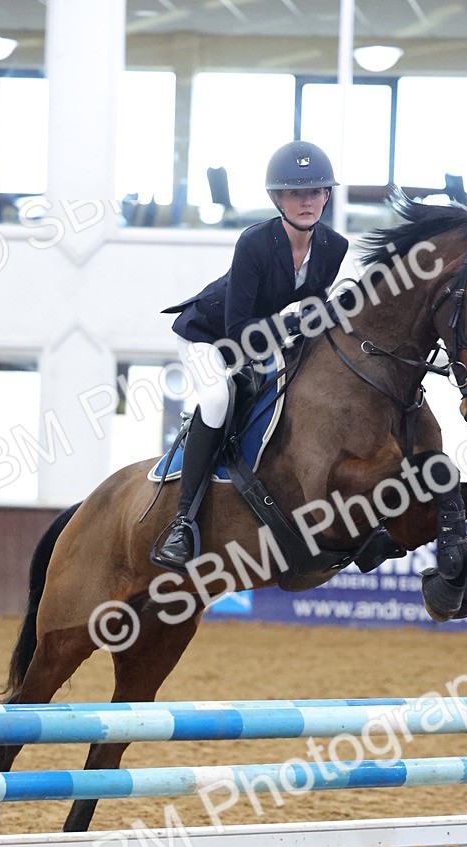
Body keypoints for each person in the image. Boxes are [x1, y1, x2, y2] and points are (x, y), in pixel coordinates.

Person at [154, 140, 349, 571]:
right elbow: (239, 330)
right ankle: (182, 524)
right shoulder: (255, 243)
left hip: (261, 338)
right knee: (218, 398)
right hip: (211, 336)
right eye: (295, 193)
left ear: (327, 196)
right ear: (277, 199)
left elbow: (311, 311)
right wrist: (300, 324)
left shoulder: (335, 247)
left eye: (315, 191)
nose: (306, 201)